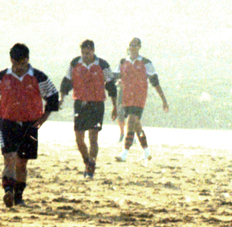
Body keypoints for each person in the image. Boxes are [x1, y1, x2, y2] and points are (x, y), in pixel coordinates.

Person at [0, 43, 59, 208]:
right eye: (16, 64)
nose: (19, 68)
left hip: (30, 124)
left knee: (22, 163)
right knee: (9, 158)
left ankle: (18, 196)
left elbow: (52, 96)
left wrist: (44, 117)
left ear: (28, 60)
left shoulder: (38, 77)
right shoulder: (2, 76)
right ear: (11, 60)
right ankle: (8, 191)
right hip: (7, 122)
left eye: (22, 64)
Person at [59, 40, 117, 178]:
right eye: (83, 53)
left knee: (93, 137)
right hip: (80, 103)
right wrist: (61, 97)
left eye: (88, 52)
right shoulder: (75, 63)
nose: (86, 55)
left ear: (93, 51)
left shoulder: (102, 65)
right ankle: (87, 162)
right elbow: (66, 81)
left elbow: (111, 86)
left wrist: (114, 106)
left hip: (96, 104)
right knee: (79, 139)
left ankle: (91, 164)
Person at [114, 37, 169, 166]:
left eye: (134, 45)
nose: (132, 47)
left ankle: (124, 153)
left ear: (139, 47)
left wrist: (163, 99)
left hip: (139, 97)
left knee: (131, 121)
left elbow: (155, 81)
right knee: (136, 125)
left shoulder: (146, 63)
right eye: (130, 45)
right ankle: (146, 152)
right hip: (127, 97)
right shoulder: (123, 62)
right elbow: (114, 76)